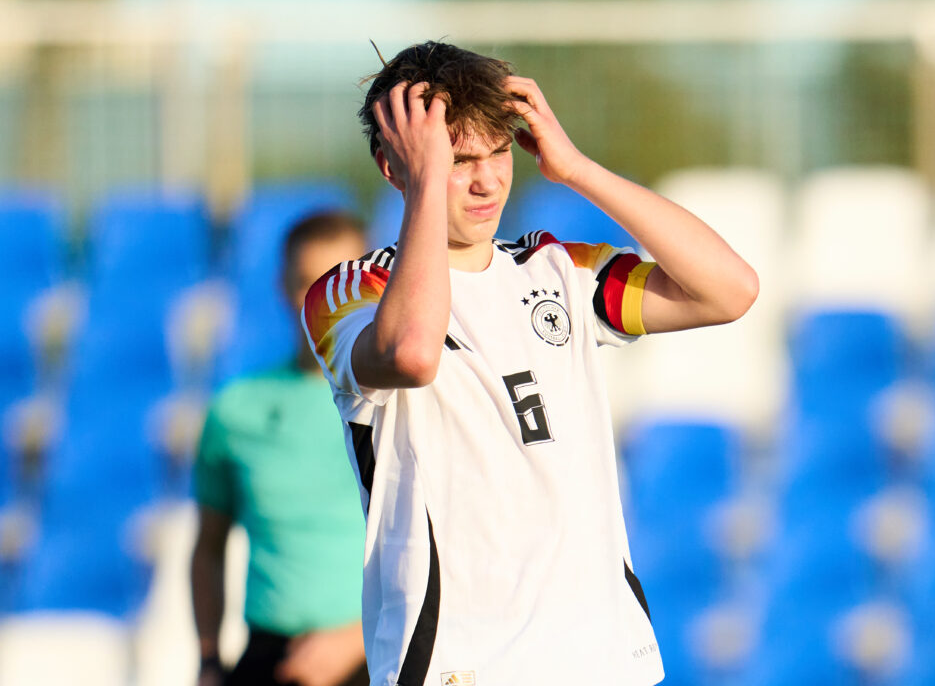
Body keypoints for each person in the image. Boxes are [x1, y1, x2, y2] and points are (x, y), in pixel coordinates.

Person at [302, 42, 759, 686]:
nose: (487, 180)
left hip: (602, 659)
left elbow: (729, 290)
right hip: (459, 666)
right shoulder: (352, 290)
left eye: (497, 153)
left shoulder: (559, 268)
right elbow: (411, 353)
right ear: (393, 166)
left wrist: (576, 170)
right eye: (458, 160)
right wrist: (428, 184)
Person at [192, 211, 371, 686]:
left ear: (376, 282)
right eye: (307, 284)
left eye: (342, 281)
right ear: (281, 287)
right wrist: (209, 660)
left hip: (383, 655)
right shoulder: (235, 409)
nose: (326, 300)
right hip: (270, 661)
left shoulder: (410, 403)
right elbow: (209, 546)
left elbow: (461, 547)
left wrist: (357, 639)